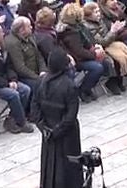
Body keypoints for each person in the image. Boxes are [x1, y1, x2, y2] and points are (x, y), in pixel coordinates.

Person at [31, 49, 82, 188]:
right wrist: (57, 131)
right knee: (68, 165)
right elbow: (71, 115)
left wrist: (44, 128)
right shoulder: (69, 85)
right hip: (66, 133)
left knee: (50, 163)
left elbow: (34, 109)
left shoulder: (40, 81)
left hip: (48, 129)